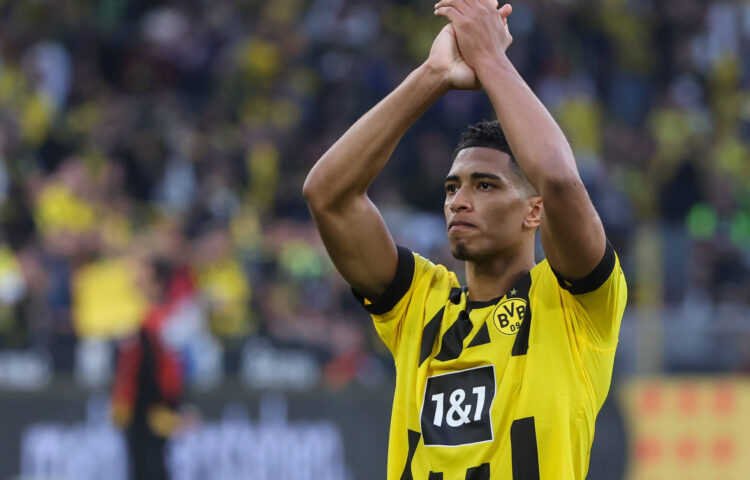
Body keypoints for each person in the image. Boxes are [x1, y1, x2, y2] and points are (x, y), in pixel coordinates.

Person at [303, 2, 627, 479]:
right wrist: (432, 75)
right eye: (452, 187)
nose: (459, 201)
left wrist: (491, 59)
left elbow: (559, 180)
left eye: (485, 185)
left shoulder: (573, 307)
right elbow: (327, 195)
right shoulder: (420, 306)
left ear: (534, 210)